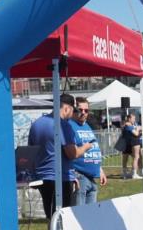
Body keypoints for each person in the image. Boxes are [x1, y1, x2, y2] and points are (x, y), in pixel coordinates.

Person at [28, 93, 93, 221]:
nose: (73, 114)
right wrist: (86, 147)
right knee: (62, 218)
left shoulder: (37, 124)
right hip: (60, 178)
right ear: (67, 108)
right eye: (73, 110)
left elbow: (31, 151)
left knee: (51, 216)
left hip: (42, 177)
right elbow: (72, 153)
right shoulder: (63, 125)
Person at [70, 97, 107, 205]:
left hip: (92, 177)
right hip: (79, 175)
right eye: (80, 110)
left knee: (91, 214)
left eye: (86, 110)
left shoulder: (86, 126)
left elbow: (93, 146)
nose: (83, 113)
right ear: (74, 110)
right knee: (79, 213)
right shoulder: (70, 126)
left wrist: (100, 169)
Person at [120, 113, 143, 179]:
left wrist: (138, 131)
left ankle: (127, 173)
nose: (134, 120)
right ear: (129, 119)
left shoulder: (128, 125)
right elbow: (135, 133)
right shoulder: (128, 125)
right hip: (130, 143)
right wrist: (138, 129)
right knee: (135, 158)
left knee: (127, 159)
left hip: (127, 144)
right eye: (133, 118)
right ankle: (133, 173)